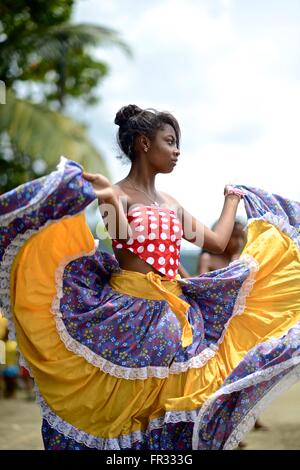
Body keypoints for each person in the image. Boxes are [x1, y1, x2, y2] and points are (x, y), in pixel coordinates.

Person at [0, 104, 299, 450]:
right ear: (144, 143)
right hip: (129, 314)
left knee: (171, 405)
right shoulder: (119, 195)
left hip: (174, 315)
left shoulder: (170, 203)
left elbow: (216, 241)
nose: (177, 151)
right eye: (169, 142)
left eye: (177, 143)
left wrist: (232, 201)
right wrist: (109, 197)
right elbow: (120, 235)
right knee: (126, 407)